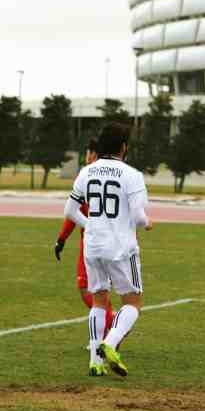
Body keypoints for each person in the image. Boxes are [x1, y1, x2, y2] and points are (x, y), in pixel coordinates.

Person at [64, 122, 152, 377]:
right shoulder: (132, 175)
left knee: (99, 301)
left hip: (92, 246)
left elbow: (69, 211)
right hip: (121, 248)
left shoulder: (86, 172)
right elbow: (137, 216)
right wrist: (147, 223)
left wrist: (90, 224)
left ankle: (95, 361)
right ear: (124, 147)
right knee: (133, 301)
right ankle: (110, 343)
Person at [55, 138, 115, 371]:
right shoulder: (114, 175)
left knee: (90, 290)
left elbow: (73, 211)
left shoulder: (89, 176)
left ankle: (109, 329)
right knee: (95, 291)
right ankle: (109, 329)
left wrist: (62, 238)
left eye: (90, 153)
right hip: (111, 242)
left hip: (92, 242)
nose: (87, 157)